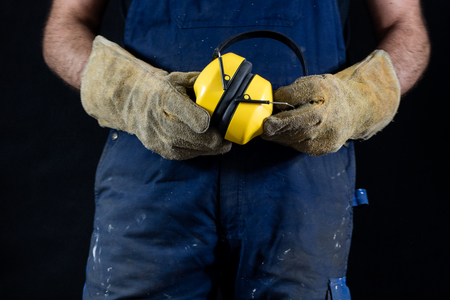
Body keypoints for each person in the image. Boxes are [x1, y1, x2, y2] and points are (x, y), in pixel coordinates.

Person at [43, 0, 430, 299]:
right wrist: (129, 94)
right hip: (152, 170)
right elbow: (65, 25)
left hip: (299, 185)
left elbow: (405, 27)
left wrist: (358, 101)